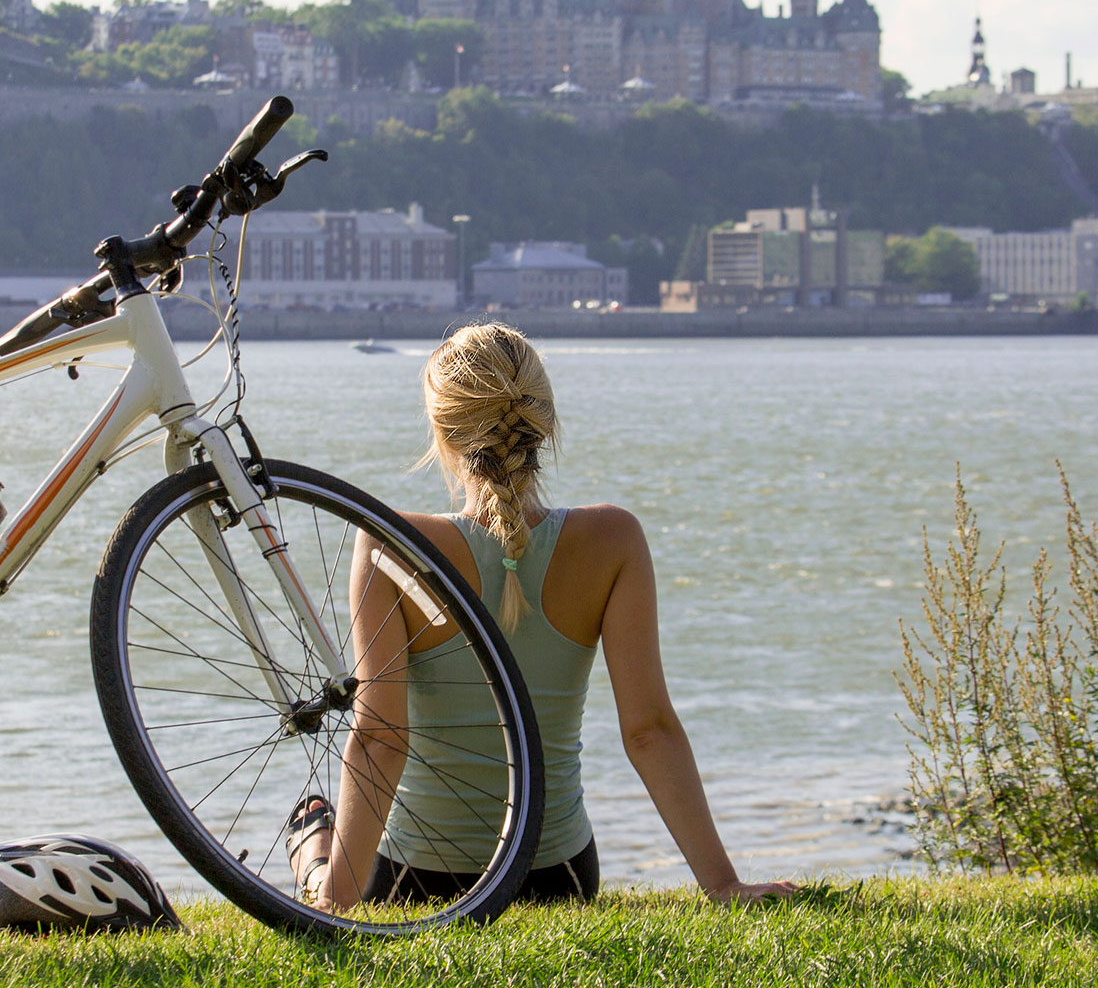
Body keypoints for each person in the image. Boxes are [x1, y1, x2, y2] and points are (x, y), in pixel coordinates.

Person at [287, 323, 799, 908]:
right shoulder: (614, 540)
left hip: (419, 879)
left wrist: (338, 902)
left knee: (314, 846)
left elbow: (380, 736)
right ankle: (317, 847)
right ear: (544, 423)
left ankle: (314, 855)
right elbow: (649, 731)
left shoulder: (392, 544)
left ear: (443, 433)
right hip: (560, 877)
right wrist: (723, 884)